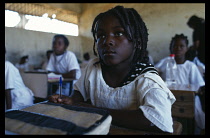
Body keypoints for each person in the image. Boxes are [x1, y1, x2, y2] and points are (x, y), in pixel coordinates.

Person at [48, 6, 176, 134]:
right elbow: (78, 95)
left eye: (119, 33)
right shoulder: (94, 67)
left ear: (137, 42)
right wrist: (70, 100)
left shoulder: (146, 77)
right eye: (101, 35)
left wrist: (93, 110)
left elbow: (157, 120)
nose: (107, 41)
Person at [155, 34, 205, 134]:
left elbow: (199, 86)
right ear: (171, 48)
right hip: (168, 97)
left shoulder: (191, 66)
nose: (178, 48)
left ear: (186, 48)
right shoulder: (166, 62)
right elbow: (154, 70)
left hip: (187, 100)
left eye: (181, 46)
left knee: (192, 113)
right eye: (175, 46)